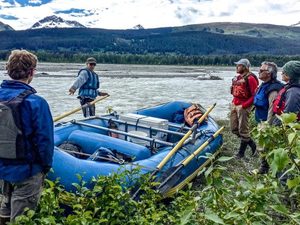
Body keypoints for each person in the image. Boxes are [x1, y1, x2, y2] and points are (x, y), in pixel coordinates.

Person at [0, 50, 54, 224]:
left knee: (4, 211)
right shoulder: (37, 103)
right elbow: (45, 142)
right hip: (27, 171)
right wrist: (44, 168)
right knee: (21, 220)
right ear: (31, 72)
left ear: (8, 70)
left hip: (2, 168)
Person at [252, 61, 284, 174]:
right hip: (260, 119)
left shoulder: (273, 90)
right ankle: (265, 168)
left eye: (261, 71)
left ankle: (265, 169)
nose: (258, 72)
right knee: (262, 145)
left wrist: (267, 125)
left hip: (267, 122)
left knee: (264, 146)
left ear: (269, 73)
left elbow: (272, 109)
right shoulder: (264, 85)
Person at [230, 58, 259, 158]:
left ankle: (241, 153)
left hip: (243, 106)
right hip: (235, 104)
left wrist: (244, 106)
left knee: (243, 130)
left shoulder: (250, 78)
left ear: (245, 67)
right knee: (234, 128)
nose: (237, 67)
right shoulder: (238, 78)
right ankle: (252, 145)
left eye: (239, 65)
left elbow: (255, 95)